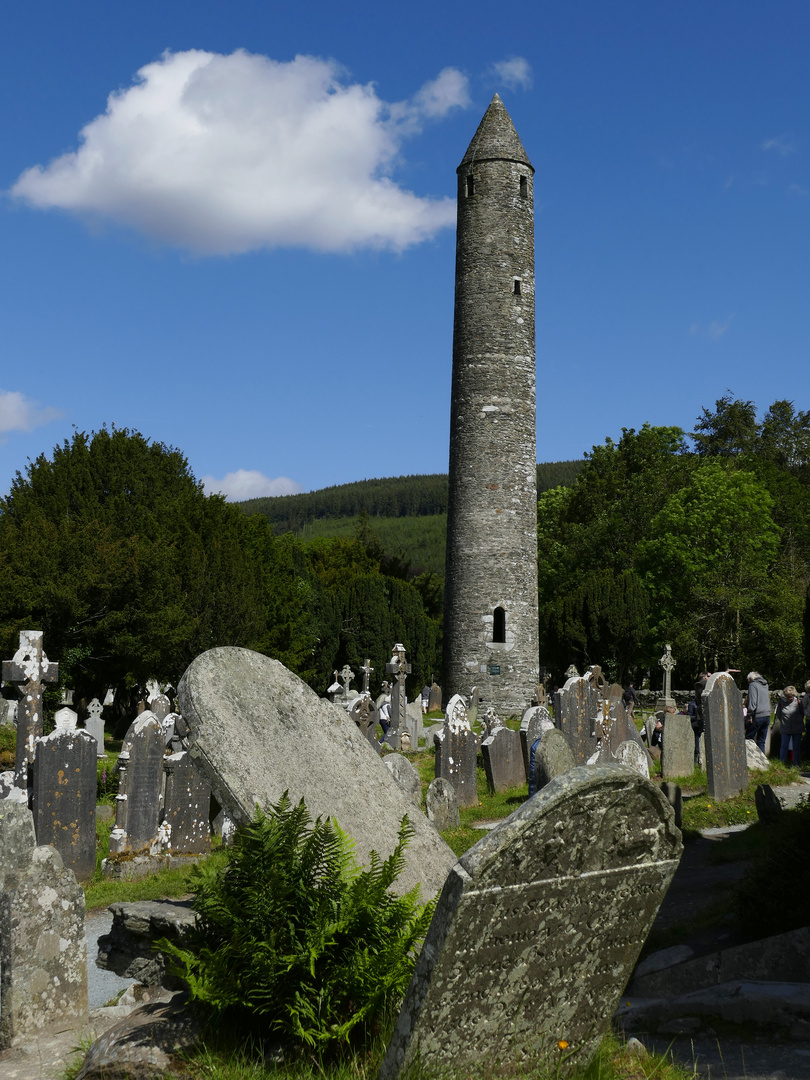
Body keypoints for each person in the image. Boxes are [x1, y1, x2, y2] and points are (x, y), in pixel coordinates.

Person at [776, 685, 803, 767]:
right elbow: (778, 714)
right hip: (785, 728)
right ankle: (782, 764)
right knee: (784, 746)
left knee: (796, 747)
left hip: (797, 728)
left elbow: (802, 714)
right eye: (788, 697)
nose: (790, 698)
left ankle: (796, 764)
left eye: (792, 696)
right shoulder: (781, 703)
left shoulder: (798, 702)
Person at [746, 671, 771, 753]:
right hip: (767, 715)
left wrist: (749, 715)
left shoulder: (753, 685)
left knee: (749, 738)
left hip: (758, 715)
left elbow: (752, 702)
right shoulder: (765, 685)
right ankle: (762, 762)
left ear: (750, 679)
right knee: (761, 741)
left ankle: (750, 760)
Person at [692, 672, 708, 765]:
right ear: (704, 677)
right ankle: (701, 760)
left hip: (701, 715)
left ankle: (699, 760)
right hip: (704, 715)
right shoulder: (703, 684)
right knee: (702, 737)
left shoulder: (700, 684)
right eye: (709, 676)